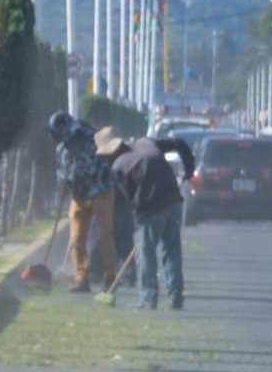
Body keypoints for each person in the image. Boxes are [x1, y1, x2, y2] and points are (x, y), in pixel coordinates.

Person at [101, 124, 185, 310]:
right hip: (173, 200)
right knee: (172, 250)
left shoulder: (118, 166)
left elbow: (129, 197)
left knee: (146, 253)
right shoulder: (144, 142)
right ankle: (176, 295)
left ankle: (149, 296)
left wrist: (137, 220)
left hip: (152, 207)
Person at [48, 111, 115, 294]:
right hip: (79, 195)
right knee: (77, 239)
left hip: (100, 191)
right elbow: (63, 171)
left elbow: (91, 163)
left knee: (103, 237)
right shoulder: (62, 148)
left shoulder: (88, 136)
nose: (54, 138)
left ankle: (110, 276)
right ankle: (81, 278)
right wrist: (63, 185)